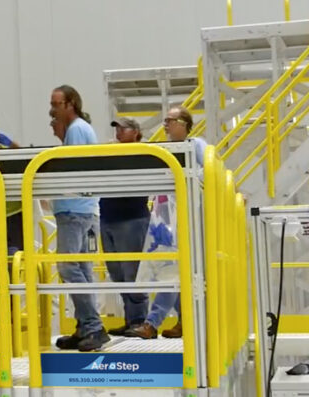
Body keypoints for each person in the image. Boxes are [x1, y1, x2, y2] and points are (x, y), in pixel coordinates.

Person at [127, 106, 206, 340]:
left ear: (183, 123)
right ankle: (184, 321)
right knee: (172, 271)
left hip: (189, 219)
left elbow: (208, 175)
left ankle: (152, 323)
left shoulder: (197, 146)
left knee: (172, 272)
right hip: (167, 222)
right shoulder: (165, 151)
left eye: (170, 120)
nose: (166, 125)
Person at [49, 85, 109, 351]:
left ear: (70, 103)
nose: (51, 109)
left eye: (56, 104)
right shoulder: (80, 130)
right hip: (83, 210)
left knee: (68, 267)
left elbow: (70, 170)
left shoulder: (76, 130)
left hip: (75, 210)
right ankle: (85, 326)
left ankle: (93, 327)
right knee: (82, 269)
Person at [99, 118, 151, 336]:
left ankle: (139, 319)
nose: (118, 132)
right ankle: (131, 319)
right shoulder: (110, 153)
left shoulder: (143, 153)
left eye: (123, 128)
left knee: (133, 273)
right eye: (116, 128)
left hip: (131, 219)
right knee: (117, 274)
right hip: (109, 217)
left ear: (136, 132)